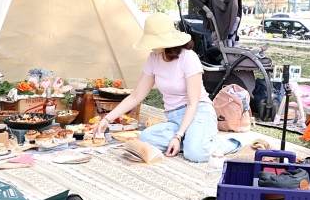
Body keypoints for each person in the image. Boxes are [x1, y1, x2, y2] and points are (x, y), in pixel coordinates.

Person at [91, 12, 222, 162]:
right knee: (146, 138)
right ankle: (192, 139)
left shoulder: (188, 57)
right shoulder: (154, 59)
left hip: (199, 111)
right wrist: (107, 119)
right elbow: (136, 95)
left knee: (195, 154)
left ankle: (216, 143)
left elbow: (193, 103)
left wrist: (178, 135)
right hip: (174, 117)